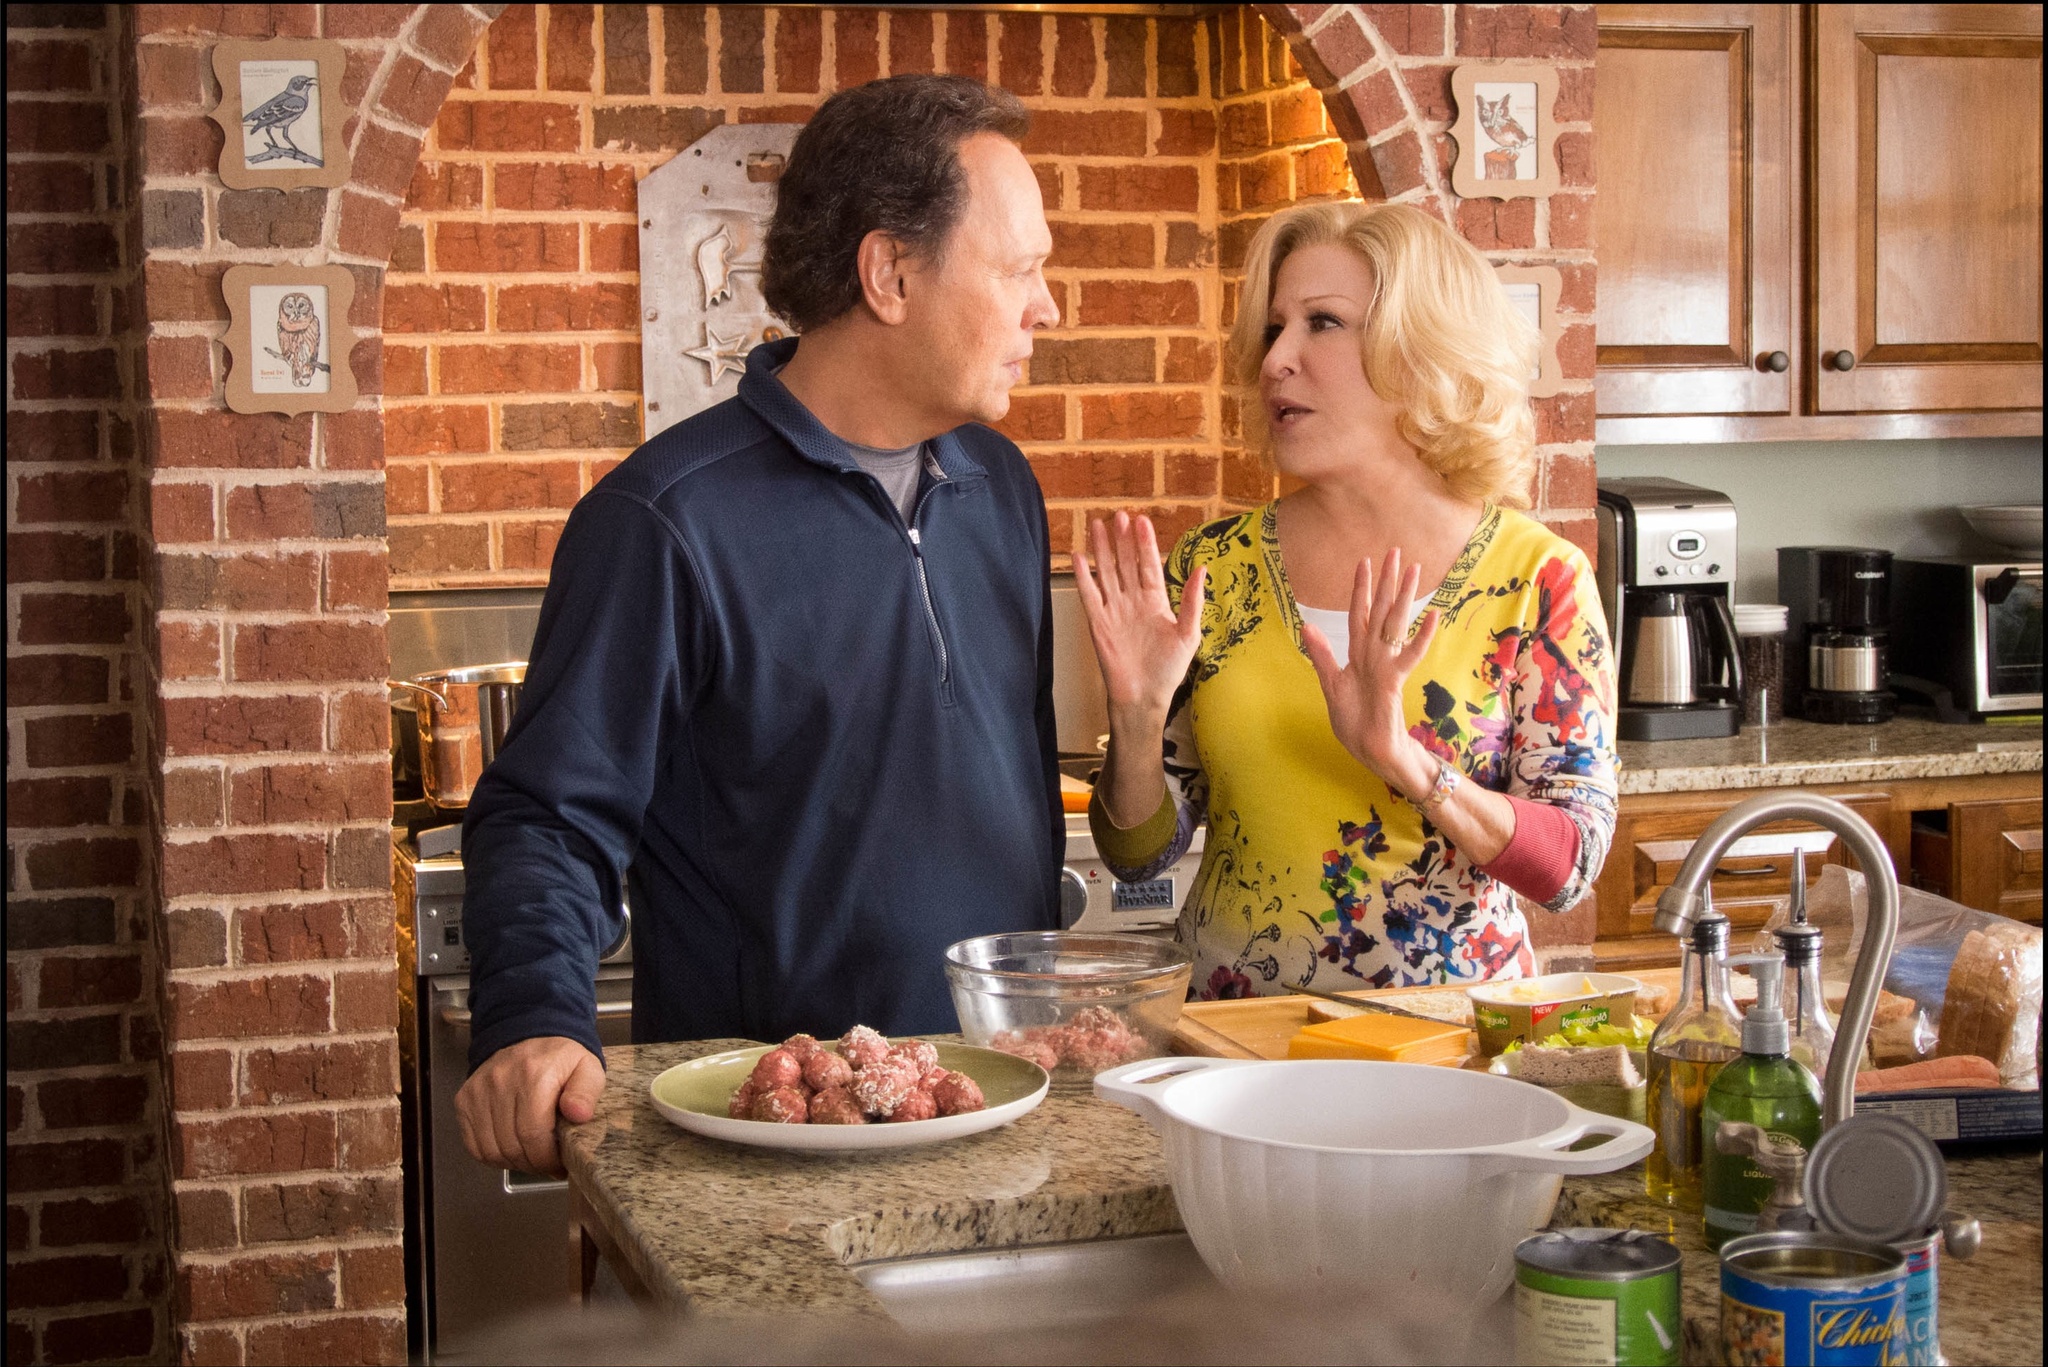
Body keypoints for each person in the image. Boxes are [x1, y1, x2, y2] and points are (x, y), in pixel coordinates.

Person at [455, 75, 1063, 1176]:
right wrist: (533, 1013)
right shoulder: (663, 521)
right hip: (774, 1139)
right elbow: (548, 816)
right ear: (888, 274)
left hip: (1004, 1105)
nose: (1047, 308)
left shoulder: (1003, 486)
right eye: (1020, 269)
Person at [1077, 202, 1618, 999]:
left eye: (1322, 323)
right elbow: (1139, 857)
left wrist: (1405, 760)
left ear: (1420, 351)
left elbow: (1569, 864)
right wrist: (1135, 718)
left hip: (1445, 1044)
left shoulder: (1537, 580)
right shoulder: (1213, 569)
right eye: (1274, 329)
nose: (1275, 359)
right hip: (1229, 1041)